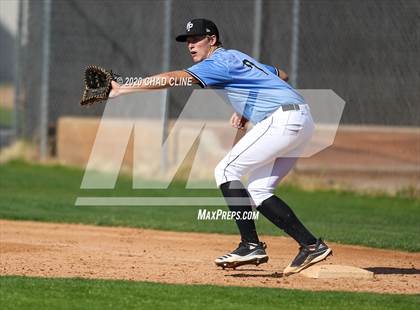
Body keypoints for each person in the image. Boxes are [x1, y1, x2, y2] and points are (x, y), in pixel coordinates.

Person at [109, 18, 332, 276]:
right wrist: (248, 109)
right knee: (259, 189)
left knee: (226, 171)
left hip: (282, 120)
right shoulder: (235, 57)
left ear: (212, 40)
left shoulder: (216, 62)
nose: (190, 45)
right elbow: (281, 74)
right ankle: (311, 245)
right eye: (187, 41)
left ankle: (250, 245)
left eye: (196, 39)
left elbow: (173, 79)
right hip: (301, 119)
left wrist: (123, 89)